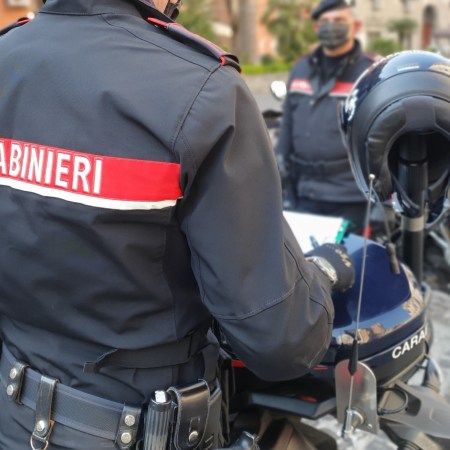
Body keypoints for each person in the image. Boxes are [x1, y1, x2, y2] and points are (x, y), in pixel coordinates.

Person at [0, 1, 354, 449]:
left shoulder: (8, 55)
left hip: (15, 418)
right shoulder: (199, 87)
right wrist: (323, 273)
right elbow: (279, 340)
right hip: (142, 431)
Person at [275, 0, 378, 234]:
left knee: (348, 256)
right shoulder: (301, 68)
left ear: (356, 26)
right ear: (316, 28)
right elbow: (288, 126)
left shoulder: (371, 72)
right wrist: (279, 177)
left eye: (339, 20)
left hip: (351, 197)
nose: (331, 26)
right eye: (325, 22)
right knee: (302, 256)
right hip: (303, 194)